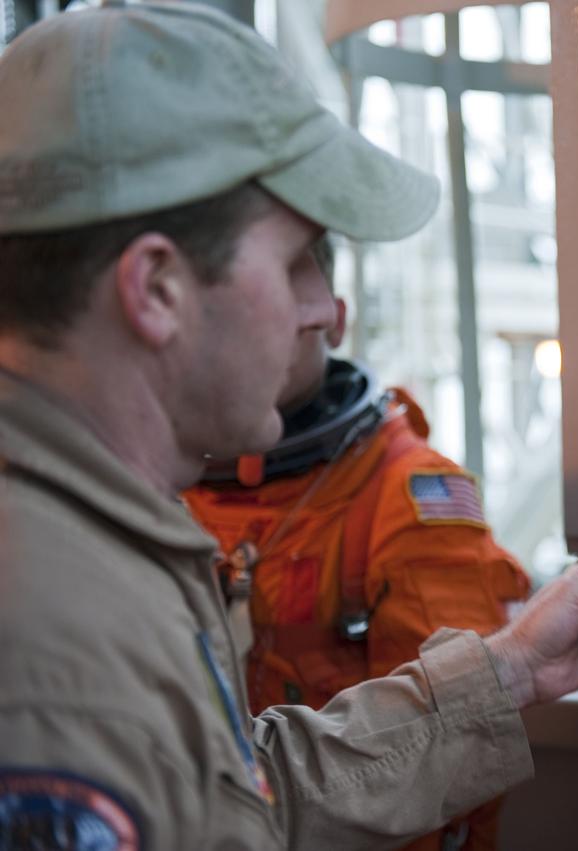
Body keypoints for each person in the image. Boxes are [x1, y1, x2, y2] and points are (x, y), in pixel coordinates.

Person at [0, 4, 578, 849]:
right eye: (294, 262)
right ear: (157, 289)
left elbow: (238, 794)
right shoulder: (55, 651)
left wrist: (508, 669)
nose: (324, 308)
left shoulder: (96, 553)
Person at [184, 235, 531, 851]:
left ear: (335, 318)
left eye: (293, 300)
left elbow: (442, 756)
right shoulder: (163, 486)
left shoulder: (405, 495)